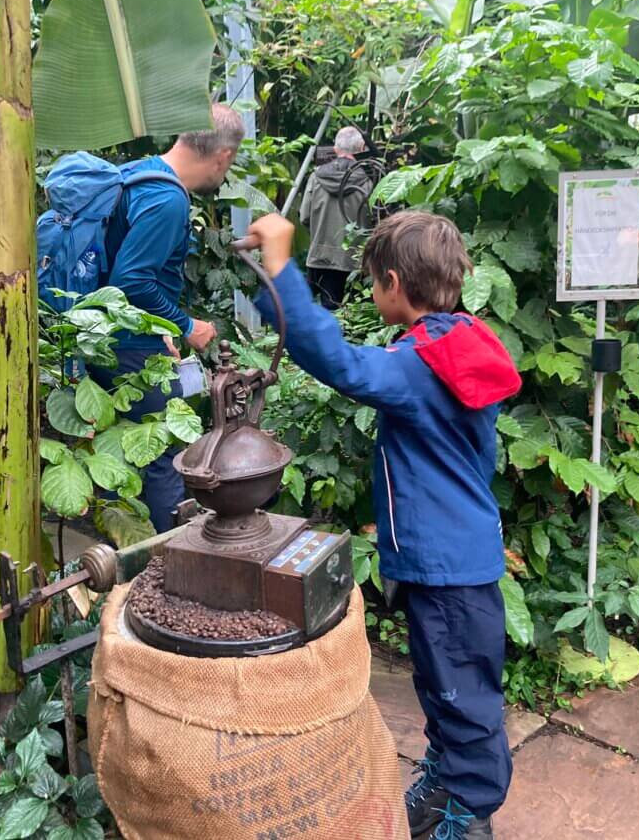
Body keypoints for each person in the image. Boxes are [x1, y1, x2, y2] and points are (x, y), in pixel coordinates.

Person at [243, 211, 521, 840]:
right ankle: (449, 778)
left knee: (462, 694)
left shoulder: (421, 366)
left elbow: (341, 363)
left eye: (372, 281)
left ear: (394, 283)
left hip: (448, 567)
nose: (372, 291)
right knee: (445, 682)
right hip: (457, 554)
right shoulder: (460, 341)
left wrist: (282, 267)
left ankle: (468, 813)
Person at [92, 103, 245, 533]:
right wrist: (185, 325)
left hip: (109, 341)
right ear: (223, 157)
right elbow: (131, 281)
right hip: (129, 351)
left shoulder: (140, 173)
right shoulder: (168, 200)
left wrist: (163, 328)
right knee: (163, 457)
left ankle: (120, 554)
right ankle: (164, 562)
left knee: (122, 454)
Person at [299, 125, 373, 309]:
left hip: (319, 257)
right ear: (361, 149)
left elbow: (304, 217)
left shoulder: (316, 178)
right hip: (353, 263)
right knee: (349, 316)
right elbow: (374, 221)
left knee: (315, 313)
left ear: (335, 149)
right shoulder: (368, 181)